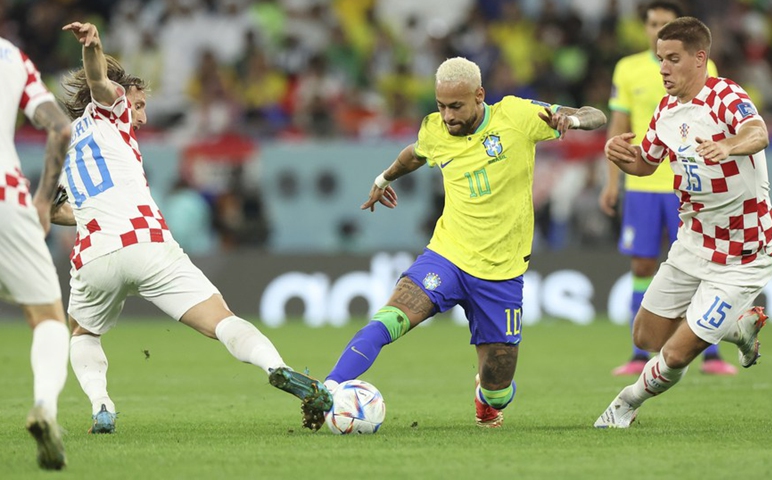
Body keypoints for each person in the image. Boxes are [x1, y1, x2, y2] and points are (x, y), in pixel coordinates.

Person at [270, 57, 607, 429]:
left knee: (499, 387)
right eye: (441, 106)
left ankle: (486, 398)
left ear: (479, 96)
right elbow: (414, 154)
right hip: (446, 257)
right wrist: (383, 179)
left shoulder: (518, 115)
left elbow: (596, 116)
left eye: (456, 106)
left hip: (501, 271)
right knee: (389, 319)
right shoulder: (435, 130)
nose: (447, 116)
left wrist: (570, 121)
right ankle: (328, 389)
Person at [54, 21, 328, 434]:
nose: (141, 116)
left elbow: (54, 209)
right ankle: (277, 367)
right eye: (139, 104)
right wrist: (93, 47)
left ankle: (102, 407)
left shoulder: (64, 144)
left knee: (84, 333)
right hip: (148, 243)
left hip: (93, 255)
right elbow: (98, 81)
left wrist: (92, 215)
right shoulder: (110, 111)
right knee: (222, 320)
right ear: (122, 95)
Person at [595, 16, 772, 428]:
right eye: (660, 59)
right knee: (645, 337)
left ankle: (624, 405)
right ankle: (737, 327)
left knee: (676, 354)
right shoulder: (665, 111)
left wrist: (729, 145)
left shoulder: (725, 95)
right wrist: (623, 157)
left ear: (699, 59)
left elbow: (758, 132)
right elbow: (646, 162)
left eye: (672, 59)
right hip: (693, 241)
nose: (662, 68)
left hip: (743, 252)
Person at [599, 1, 737, 377]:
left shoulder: (701, 66)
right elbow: (619, 124)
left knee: (700, 265)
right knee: (642, 263)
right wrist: (612, 178)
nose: (657, 29)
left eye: (665, 24)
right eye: (653, 24)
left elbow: (716, 123)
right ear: (645, 28)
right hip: (643, 183)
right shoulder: (627, 68)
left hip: (686, 185)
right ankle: (638, 354)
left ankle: (711, 355)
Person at [0, 36, 72, 470]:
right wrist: (44, 200)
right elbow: (61, 127)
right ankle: (44, 406)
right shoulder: (11, 55)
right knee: (46, 316)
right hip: (6, 198)